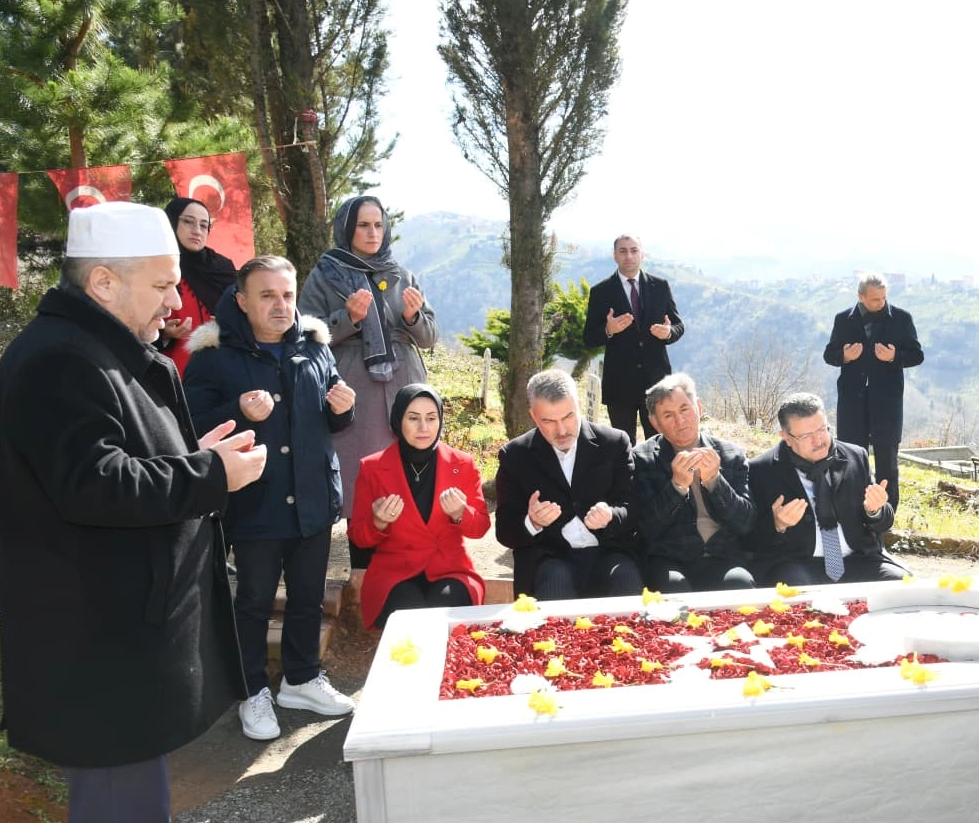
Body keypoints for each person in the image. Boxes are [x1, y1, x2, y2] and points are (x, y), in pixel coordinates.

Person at [0, 202, 265, 823]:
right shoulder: (57, 361)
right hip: (92, 630)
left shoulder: (95, 348)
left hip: (118, 619)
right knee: (114, 799)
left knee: (136, 791)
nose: (175, 305)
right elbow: (93, 483)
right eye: (161, 285)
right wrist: (209, 476)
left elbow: (125, 453)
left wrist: (192, 454)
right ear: (104, 282)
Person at [184, 255, 357, 741]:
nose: (281, 306)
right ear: (241, 301)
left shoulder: (313, 348)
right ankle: (252, 689)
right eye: (267, 295)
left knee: (307, 597)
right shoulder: (214, 356)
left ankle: (301, 679)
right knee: (255, 601)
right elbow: (193, 428)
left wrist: (342, 411)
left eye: (287, 294)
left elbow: (325, 420)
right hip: (254, 502)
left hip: (312, 499)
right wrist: (237, 410)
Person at [298, 195, 439, 518]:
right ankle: (361, 562)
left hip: (406, 386)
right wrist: (348, 319)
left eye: (378, 225)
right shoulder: (325, 274)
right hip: (355, 389)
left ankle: (408, 555)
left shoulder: (402, 275)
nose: (373, 233)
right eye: (363, 225)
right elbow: (306, 335)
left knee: (408, 471)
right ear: (347, 229)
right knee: (359, 475)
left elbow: (430, 336)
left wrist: (412, 317)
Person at [349, 384, 491, 629]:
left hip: (450, 569)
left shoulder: (462, 463)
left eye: (431, 418)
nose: (423, 428)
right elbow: (359, 538)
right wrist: (378, 523)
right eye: (413, 418)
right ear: (397, 420)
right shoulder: (372, 467)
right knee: (408, 614)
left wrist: (460, 514)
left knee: (446, 608)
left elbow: (479, 528)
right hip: (394, 573)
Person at [495, 369, 642, 599]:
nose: (562, 430)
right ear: (534, 416)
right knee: (555, 585)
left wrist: (611, 515)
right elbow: (505, 531)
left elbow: (633, 507)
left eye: (568, 417)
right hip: (549, 557)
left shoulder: (614, 443)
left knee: (626, 581)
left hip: (608, 552)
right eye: (549, 421)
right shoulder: (515, 455)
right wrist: (532, 521)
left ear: (579, 406)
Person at [746, 392, 906, 585]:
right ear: (786, 437)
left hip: (858, 560)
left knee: (904, 585)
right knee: (797, 595)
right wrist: (777, 524)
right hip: (798, 564)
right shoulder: (761, 469)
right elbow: (749, 539)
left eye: (822, 429)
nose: (819, 440)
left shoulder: (855, 456)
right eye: (807, 435)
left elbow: (883, 524)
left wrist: (875, 510)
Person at [631, 373, 757, 592]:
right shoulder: (642, 458)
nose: (680, 421)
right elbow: (644, 529)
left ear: (698, 407)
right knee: (674, 589)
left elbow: (746, 523)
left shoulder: (731, 454)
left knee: (740, 585)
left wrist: (715, 481)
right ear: (655, 422)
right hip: (669, 558)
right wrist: (677, 487)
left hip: (722, 556)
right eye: (668, 415)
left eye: (684, 410)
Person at [821, 272, 923, 510]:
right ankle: (851, 508)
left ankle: (887, 513)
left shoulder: (901, 318)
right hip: (851, 402)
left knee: (887, 460)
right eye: (875, 299)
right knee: (851, 457)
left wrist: (895, 357)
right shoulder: (843, 319)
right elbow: (829, 355)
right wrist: (843, 356)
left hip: (887, 403)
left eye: (884, 297)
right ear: (861, 297)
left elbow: (917, 355)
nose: (881, 303)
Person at [581, 234, 685, 443]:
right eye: (623, 251)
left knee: (659, 445)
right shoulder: (601, 291)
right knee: (623, 446)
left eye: (634, 250)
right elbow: (589, 338)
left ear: (642, 255)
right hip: (619, 384)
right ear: (615, 256)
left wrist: (669, 333)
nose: (629, 256)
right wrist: (608, 330)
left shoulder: (660, 286)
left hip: (657, 382)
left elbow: (678, 325)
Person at [156, 197, 236, 376]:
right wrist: (165, 334)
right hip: (175, 374)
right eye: (188, 222)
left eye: (203, 225)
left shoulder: (223, 268)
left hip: (224, 370)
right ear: (171, 222)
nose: (197, 231)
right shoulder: (155, 266)